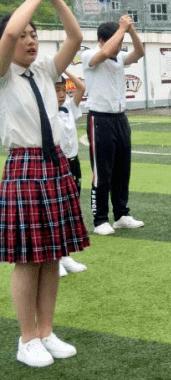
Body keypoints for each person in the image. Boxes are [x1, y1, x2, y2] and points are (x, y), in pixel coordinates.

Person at [1, 0, 88, 368]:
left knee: (52, 253)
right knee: (27, 257)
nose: (30, 40)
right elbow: (6, 35)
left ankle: (46, 331)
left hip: (53, 163)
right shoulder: (3, 74)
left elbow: (75, 38)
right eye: (24, 35)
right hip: (24, 164)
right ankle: (26, 338)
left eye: (34, 35)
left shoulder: (43, 70)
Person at [84, 14, 144, 236]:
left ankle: (121, 215)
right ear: (101, 40)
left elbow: (140, 53)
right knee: (102, 171)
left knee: (122, 169)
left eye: (121, 44)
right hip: (99, 119)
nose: (119, 48)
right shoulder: (90, 54)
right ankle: (100, 219)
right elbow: (107, 51)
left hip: (120, 118)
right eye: (117, 42)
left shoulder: (118, 57)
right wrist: (121, 28)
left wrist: (131, 30)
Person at [54, 72, 88, 276]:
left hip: (73, 164)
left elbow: (82, 88)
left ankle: (65, 255)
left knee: (69, 209)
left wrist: (65, 70)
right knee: (56, 211)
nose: (61, 94)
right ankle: (54, 257)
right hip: (57, 164)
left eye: (63, 90)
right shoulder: (46, 112)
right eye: (57, 90)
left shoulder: (68, 108)